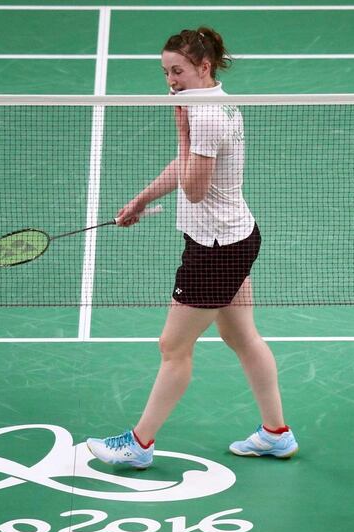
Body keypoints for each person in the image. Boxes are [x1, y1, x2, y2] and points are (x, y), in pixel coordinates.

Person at [86, 27, 298, 467]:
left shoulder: (204, 116)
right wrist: (142, 200)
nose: (171, 80)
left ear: (204, 67)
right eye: (165, 71)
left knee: (173, 347)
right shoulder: (211, 101)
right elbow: (187, 170)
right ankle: (276, 434)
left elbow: (195, 189)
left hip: (215, 249)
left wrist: (181, 129)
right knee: (241, 336)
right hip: (237, 237)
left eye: (178, 70)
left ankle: (139, 444)